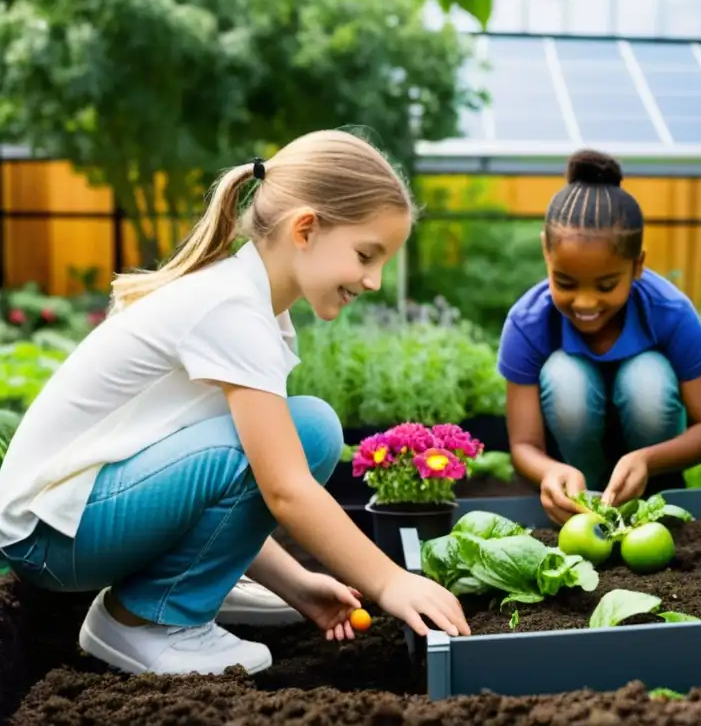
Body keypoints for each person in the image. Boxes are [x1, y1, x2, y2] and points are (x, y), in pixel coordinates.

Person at [0, 129, 470, 676]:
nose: (373, 280)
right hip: (51, 537)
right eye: (367, 255)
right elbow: (281, 488)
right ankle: (143, 620)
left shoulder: (249, 304)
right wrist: (390, 580)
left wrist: (296, 583)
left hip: (70, 522)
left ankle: (196, 585)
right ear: (306, 229)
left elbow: (232, 479)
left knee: (304, 431)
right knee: (308, 434)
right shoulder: (232, 312)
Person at [498, 149, 701, 525]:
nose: (585, 302)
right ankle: (587, 499)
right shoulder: (528, 322)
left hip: (654, 475)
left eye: (606, 285)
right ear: (546, 251)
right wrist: (549, 472)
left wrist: (647, 460)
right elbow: (524, 445)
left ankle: (653, 500)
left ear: (637, 265)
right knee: (564, 376)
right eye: (565, 282)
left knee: (647, 377)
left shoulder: (669, 311)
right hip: (573, 478)